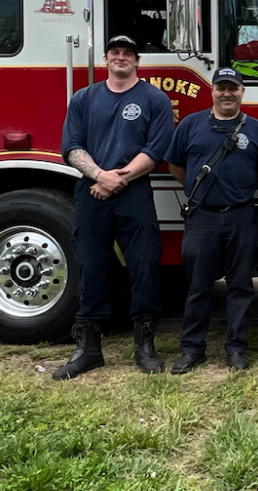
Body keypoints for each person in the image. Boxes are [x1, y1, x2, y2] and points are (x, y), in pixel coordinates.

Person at [55, 34, 174, 380]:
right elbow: (72, 146)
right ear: (105, 59)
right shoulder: (84, 98)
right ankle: (89, 350)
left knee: (145, 263)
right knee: (91, 264)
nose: (121, 57)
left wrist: (118, 178)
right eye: (115, 52)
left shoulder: (154, 98)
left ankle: (145, 347)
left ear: (137, 61)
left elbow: (156, 148)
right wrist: (99, 175)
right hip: (91, 190)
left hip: (134, 191)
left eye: (128, 53)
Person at [165, 68, 258, 373]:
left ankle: (236, 348)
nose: (227, 93)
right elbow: (175, 165)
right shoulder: (190, 125)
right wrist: (200, 192)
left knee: (241, 286)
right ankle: (192, 349)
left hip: (241, 216)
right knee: (198, 286)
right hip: (202, 217)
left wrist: (241, 187)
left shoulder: (256, 129)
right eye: (221, 88)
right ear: (211, 91)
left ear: (241, 92)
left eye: (232, 88)